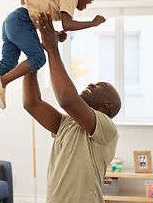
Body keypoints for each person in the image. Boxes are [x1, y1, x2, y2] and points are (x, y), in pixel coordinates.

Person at [22, 12, 121, 203]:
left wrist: (52, 49)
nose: (92, 84)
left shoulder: (107, 127)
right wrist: (32, 56)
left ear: (108, 105)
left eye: (102, 86)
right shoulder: (67, 124)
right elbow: (31, 103)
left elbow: (67, 99)